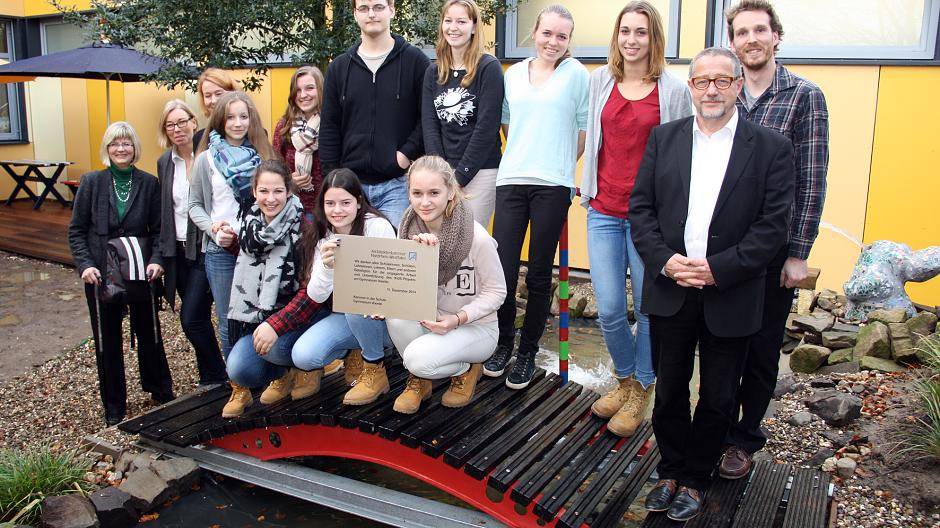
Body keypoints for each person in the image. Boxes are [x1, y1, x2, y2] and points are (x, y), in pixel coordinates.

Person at [629, 47, 793, 521]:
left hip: (732, 290)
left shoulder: (770, 148)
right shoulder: (665, 139)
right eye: (703, 82)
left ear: (739, 86)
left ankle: (698, 477)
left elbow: (772, 226)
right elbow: (641, 211)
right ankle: (670, 468)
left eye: (723, 81)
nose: (712, 90)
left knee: (720, 395)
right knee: (670, 388)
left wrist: (719, 268)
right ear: (692, 88)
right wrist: (664, 261)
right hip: (672, 286)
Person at [720, 0, 830, 479]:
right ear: (733, 42)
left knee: (763, 349)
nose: (751, 40)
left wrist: (799, 253)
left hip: (773, 253)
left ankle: (744, 440)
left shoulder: (804, 96)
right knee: (724, 345)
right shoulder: (724, 95)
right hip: (723, 250)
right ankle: (715, 430)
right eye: (742, 33)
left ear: (776, 36)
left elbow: (812, 178)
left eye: (759, 30)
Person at [580, 1, 693, 438]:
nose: (631, 40)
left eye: (641, 32)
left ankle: (642, 387)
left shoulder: (674, 90)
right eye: (625, 31)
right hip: (604, 210)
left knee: (649, 309)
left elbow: (682, 153)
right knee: (608, 307)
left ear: (654, 38)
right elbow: (591, 137)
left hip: (650, 218)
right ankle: (625, 379)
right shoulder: (599, 80)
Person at [483, 4, 588, 390]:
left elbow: (583, 126)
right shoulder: (513, 74)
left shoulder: (577, 74)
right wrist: (526, 154)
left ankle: (526, 353)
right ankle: (503, 343)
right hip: (511, 180)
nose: (553, 42)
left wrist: (558, 163)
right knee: (504, 269)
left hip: (552, 184)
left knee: (540, 273)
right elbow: (508, 121)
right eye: (547, 33)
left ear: (568, 40)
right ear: (534, 33)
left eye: (562, 36)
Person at [68, 121, 174, 426]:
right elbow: (76, 230)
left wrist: (158, 261)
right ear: (107, 148)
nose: (121, 149)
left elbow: (159, 230)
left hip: (141, 269)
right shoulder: (91, 183)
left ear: (135, 148)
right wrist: (85, 264)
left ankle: (159, 388)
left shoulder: (149, 183)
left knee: (149, 332)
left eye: (127, 143)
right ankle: (114, 404)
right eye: (115, 143)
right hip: (102, 272)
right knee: (108, 339)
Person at [386, 155, 506, 413]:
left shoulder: (477, 238)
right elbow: (402, 286)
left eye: (434, 192)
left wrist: (459, 318)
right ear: (408, 193)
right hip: (432, 319)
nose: (425, 202)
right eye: (417, 193)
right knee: (394, 317)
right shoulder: (407, 231)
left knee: (416, 359)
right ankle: (420, 381)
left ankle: (466, 369)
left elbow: (498, 292)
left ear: (451, 192)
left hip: (475, 327)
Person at [221, 160, 328, 418]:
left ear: (289, 191)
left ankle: (305, 367)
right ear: (254, 192)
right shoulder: (249, 225)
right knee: (239, 369)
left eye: (278, 191)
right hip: (260, 317)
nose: (271, 199)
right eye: (264, 191)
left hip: (300, 317)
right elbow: (256, 262)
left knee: (276, 348)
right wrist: (231, 243)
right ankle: (282, 374)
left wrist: (276, 325)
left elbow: (309, 292)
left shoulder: (304, 228)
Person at [319, 0, 430, 229]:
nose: (371, 14)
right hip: (351, 187)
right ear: (355, 14)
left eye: (378, 7)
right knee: (349, 259)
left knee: (396, 257)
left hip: (397, 184)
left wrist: (406, 154)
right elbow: (329, 126)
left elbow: (426, 118)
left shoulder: (415, 61)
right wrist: (334, 180)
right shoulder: (339, 68)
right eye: (364, 8)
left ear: (392, 10)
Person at [291, 168, 398, 405]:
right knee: (304, 356)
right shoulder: (322, 235)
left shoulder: (377, 227)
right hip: (349, 317)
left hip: (385, 318)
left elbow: (394, 281)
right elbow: (316, 295)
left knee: (356, 299)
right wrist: (328, 267)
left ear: (359, 202)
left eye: (345, 203)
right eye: (330, 203)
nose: (337, 210)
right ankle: (354, 352)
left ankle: (374, 367)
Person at [189, 91, 275, 371]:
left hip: (260, 248)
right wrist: (213, 229)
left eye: (243, 116)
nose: (237, 123)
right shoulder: (206, 160)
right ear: (219, 120)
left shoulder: (264, 156)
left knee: (262, 313)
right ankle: (237, 381)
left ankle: (264, 374)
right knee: (229, 318)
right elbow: (195, 206)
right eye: (231, 117)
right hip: (222, 249)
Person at [157, 99, 227, 387]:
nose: (177, 129)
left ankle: (219, 374)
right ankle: (210, 376)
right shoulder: (165, 162)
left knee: (191, 318)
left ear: (194, 122)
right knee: (195, 316)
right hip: (179, 250)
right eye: (170, 125)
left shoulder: (210, 156)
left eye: (182, 121)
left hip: (207, 246)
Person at [422, 0, 503, 225]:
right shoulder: (433, 72)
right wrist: (441, 174)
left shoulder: (488, 67)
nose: (453, 27)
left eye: (461, 21)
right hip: (443, 173)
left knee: (470, 241)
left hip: (480, 171)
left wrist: (460, 178)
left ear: (474, 26)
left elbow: (486, 129)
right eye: (448, 21)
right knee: (441, 242)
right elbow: (430, 126)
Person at [272, 66, 326, 214]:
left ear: (321, 89)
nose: (303, 95)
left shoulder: (332, 124)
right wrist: (289, 181)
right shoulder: (284, 126)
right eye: (298, 90)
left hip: (327, 210)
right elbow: (274, 168)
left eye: (309, 88)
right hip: (292, 209)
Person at [193, 68, 237, 151]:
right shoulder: (198, 139)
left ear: (233, 93)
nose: (214, 101)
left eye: (218, 94)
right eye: (208, 95)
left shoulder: (251, 133)